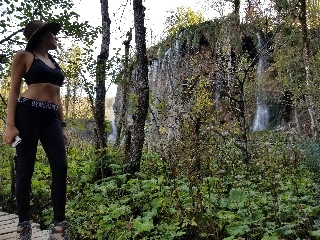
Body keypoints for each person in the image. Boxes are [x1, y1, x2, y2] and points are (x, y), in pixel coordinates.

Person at [3, 20, 70, 240]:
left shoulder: (53, 62)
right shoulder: (24, 56)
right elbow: (13, 92)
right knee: (25, 169)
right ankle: (24, 226)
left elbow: (57, 96)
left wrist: (62, 126)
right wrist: (10, 125)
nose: (56, 37)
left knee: (60, 167)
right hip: (27, 114)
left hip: (51, 118)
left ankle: (58, 228)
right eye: (52, 34)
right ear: (42, 36)